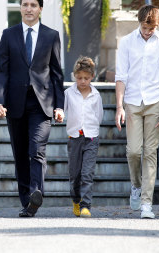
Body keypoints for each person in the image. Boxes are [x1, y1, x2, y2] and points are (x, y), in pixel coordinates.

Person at [0, 0, 65, 217]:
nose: (29, 9)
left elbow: (56, 74)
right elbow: (1, 71)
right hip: (15, 103)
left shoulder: (51, 35)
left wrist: (59, 105)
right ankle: (28, 203)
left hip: (42, 103)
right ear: (20, 8)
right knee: (21, 154)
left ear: (40, 9)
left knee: (36, 151)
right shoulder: (9, 34)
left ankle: (36, 192)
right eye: (25, 4)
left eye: (33, 5)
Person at [114, 5, 159, 219]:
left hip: (155, 101)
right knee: (133, 151)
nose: (149, 31)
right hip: (132, 101)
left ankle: (147, 204)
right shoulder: (127, 42)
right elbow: (120, 76)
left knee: (150, 152)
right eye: (146, 27)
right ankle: (136, 185)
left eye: (153, 27)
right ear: (139, 22)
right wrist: (119, 106)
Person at [64, 56, 103, 218]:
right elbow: (65, 112)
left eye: (86, 78)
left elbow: (99, 115)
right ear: (74, 76)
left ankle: (86, 205)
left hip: (91, 138)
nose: (82, 81)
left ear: (92, 77)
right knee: (75, 174)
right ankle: (76, 200)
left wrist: (91, 129)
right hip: (74, 137)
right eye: (79, 78)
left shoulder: (96, 95)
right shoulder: (68, 93)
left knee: (87, 173)